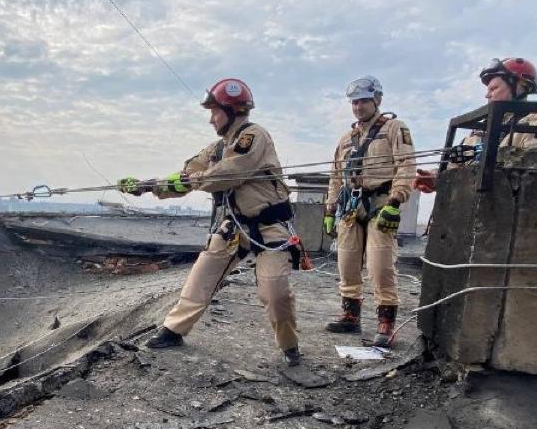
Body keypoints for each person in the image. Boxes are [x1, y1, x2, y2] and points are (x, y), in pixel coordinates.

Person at [117, 78, 302, 366]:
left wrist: (192, 179)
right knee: (201, 277)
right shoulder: (216, 148)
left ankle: (290, 347)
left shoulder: (253, 138)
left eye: (215, 112)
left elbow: (228, 174)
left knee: (274, 290)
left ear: (232, 111)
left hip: (270, 226)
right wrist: (148, 186)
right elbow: (188, 174)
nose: (211, 119)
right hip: (234, 225)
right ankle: (173, 331)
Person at [323, 76, 415, 347]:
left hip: (381, 205)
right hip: (350, 209)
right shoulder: (346, 138)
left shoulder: (395, 129)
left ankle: (386, 323)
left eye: (363, 101)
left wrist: (396, 202)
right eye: (354, 102)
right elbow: (336, 176)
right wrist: (330, 209)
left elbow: (406, 165)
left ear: (377, 100)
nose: (358, 107)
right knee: (347, 264)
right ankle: (350, 316)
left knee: (380, 266)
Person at [414, 58, 537, 193]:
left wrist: (484, 157)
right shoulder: (481, 129)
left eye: (493, 88)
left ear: (520, 86)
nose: (487, 95)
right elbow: (454, 166)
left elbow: (532, 168)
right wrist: (436, 178)